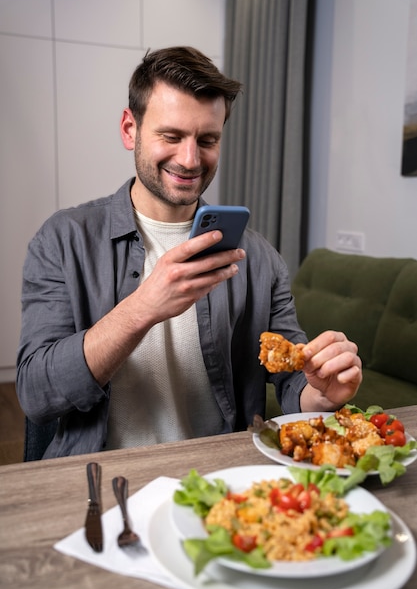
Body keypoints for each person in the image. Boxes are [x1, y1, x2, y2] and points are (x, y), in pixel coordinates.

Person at [16, 46, 362, 458]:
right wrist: (143, 307)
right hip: (101, 476)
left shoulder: (260, 258)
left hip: (218, 479)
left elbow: (292, 384)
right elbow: (36, 395)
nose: (190, 159)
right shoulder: (62, 240)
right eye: (171, 136)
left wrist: (322, 395)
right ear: (130, 129)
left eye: (207, 139)